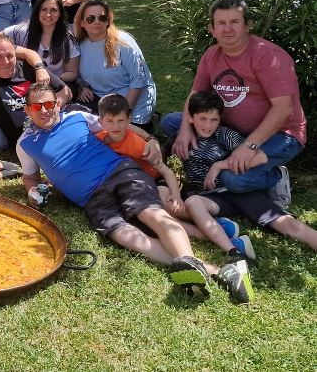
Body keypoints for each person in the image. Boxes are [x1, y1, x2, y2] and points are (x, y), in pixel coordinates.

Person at [16, 83, 253, 302]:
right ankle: (219, 271)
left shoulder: (78, 117)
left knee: (151, 216)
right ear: (28, 110)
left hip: (120, 173)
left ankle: (191, 263)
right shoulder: (25, 143)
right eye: (37, 106)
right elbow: (30, 176)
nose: (44, 110)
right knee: (125, 236)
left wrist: (149, 138)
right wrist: (32, 191)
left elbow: (119, 123)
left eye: (49, 104)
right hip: (91, 199)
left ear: (57, 103)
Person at [163, 0, 306, 210]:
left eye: (234, 22)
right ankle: (229, 155)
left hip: (280, 134)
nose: (227, 29)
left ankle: (276, 177)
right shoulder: (212, 55)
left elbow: (284, 110)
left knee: (234, 180)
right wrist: (185, 129)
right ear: (211, 29)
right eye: (221, 23)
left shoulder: (269, 57)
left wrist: (249, 146)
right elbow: (195, 95)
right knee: (171, 122)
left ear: (248, 25)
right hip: (231, 130)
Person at [95, 93, 255, 260]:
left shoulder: (138, 146)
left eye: (120, 121)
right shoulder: (98, 140)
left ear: (128, 121)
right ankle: (214, 230)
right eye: (110, 121)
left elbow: (166, 171)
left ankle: (214, 226)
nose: (115, 126)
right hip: (132, 186)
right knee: (148, 220)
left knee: (167, 206)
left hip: (156, 181)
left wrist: (176, 196)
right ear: (101, 122)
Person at [178, 91, 317, 254]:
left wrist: (219, 165)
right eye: (202, 119)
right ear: (190, 118)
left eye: (214, 120)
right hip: (211, 197)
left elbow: (251, 155)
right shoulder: (181, 139)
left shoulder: (224, 134)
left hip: (239, 190)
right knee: (192, 202)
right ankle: (232, 247)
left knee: (285, 224)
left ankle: (276, 177)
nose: (208, 125)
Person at [73, 0, 156, 129]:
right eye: (90, 19)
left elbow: (139, 80)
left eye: (102, 18)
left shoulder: (123, 42)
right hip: (101, 100)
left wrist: (124, 112)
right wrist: (82, 86)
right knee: (78, 126)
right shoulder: (79, 45)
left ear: (108, 21)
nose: (97, 22)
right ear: (82, 22)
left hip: (132, 104)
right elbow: (74, 73)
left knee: (121, 143)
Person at [4, 0, 79, 86]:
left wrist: (51, 79)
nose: (48, 14)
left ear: (60, 13)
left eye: (53, 10)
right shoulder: (22, 30)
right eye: (43, 9)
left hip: (55, 85)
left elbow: (72, 73)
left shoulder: (68, 38)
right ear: (37, 11)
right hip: (25, 84)